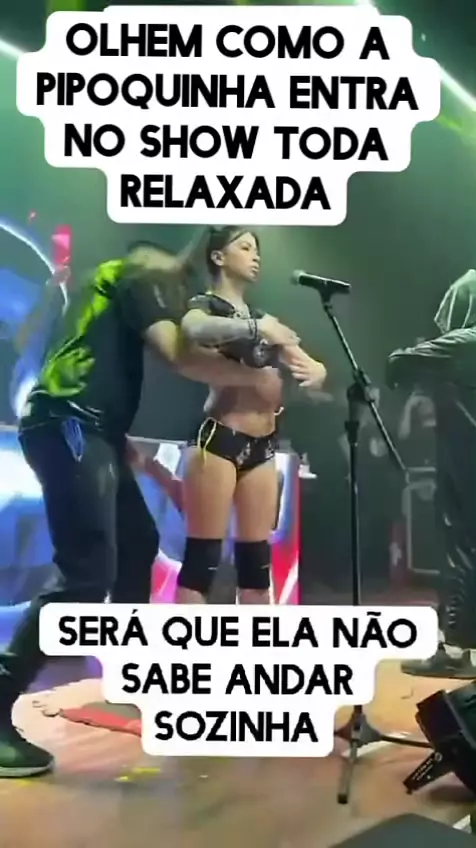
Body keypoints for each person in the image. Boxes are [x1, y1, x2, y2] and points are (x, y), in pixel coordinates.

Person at [0, 237, 282, 777]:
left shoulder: (110, 290)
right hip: (71, 423)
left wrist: (123, 444)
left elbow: (89, 364)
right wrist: (259, 373)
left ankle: (130, 670)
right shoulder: (141, 274)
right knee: (87, 573)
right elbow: (180, 355)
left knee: (138, 544)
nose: (178, 298)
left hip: (91, 427)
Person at [177, 226, 327, 605]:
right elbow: (193, 330)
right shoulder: (207, 306)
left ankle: (256, 640)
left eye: (257, 249)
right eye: (245, 247)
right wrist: (257, 329)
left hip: (263, 445)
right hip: (219, 440)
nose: (255, 256)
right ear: (218, 257)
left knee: (256, 568)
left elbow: (306, 360)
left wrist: (317, 370)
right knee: (202, 564)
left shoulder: (264, 317)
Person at [387, 269, 476, 678]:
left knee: (462, 548)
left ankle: (455, 649)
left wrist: (404, 362)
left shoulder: (463, 343)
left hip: (466, 465)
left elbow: (401, 363)